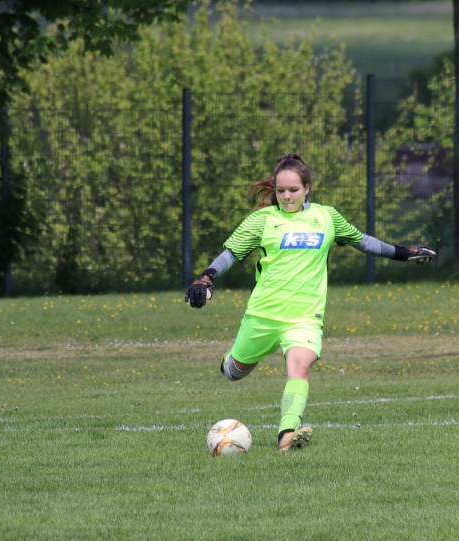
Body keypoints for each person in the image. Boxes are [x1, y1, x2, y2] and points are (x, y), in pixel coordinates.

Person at [185, 154, 436, 451]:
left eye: (293, 190)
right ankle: (230, 361)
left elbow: (362, 240)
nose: (286, 196)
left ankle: (287, 433)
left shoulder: (326, 217)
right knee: (233, 372)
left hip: (304, 318)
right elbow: (231, 254)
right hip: (262, 316)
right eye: (280, 190)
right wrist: (207, 277)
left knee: (300, 366)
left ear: (307, 189)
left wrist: (404, 253)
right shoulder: (263, 220)